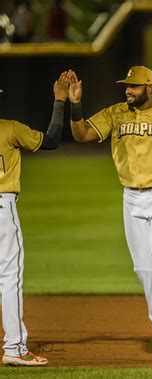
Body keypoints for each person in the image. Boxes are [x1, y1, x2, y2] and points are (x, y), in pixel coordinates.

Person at [66, 66, 152, 360]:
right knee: (143, 268)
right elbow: (82, 134)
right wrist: (75, 104)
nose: (128, 90)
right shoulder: (116, 113)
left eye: (134, 86)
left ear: (149, 88)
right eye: (126, 85)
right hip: (131, 197)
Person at [1, 72, 69, 366]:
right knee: (9, 277)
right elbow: (51, 140)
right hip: (2, 207)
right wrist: (59, 100)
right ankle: (14, 348)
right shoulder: (9, 128)